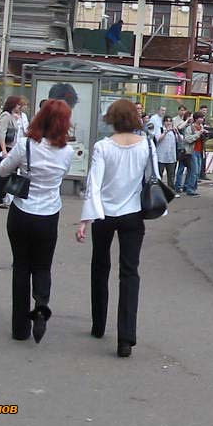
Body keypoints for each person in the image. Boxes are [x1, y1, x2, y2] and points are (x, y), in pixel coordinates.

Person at [76, 100, 159, 358]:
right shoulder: (146, 145)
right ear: (135, 119)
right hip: (133, 214)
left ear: (111, 118)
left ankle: (99, 324)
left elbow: (95, 184)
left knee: (100, 266)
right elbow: (152, 178)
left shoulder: (102, 147)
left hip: (103, 215)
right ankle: (126, 338)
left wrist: (85, 220)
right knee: (129, 272)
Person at [0, 99, 75, 343]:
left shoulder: (25, 145)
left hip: (22, 212)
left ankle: (20, 328)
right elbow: (61, 175)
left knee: (21, 266)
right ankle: (41, 306)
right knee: (43, 266)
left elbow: (3, 171)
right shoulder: (67, 151)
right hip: (49, 214)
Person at [0, 96, 24, 208]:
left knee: (9, 173)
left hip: (10, 147)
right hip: (4, 148)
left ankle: (4, 197)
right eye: (18, 105)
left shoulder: (11, 116)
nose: (20, 107)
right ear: (12, 105)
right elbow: (2, 134)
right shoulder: (6, 116)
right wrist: (4, 150)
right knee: (2, 173)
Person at [180, 112, 208, 196]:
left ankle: (190, 187)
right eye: (200, 118)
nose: (202, 120)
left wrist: (205, 135)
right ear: (196, 119)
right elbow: (188, 139)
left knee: (198, 171)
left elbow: (203, 139)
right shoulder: (190, 128)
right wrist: (198, 134)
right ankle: (190, 189)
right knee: (194, 171)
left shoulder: (201, 127)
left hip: (200, 151)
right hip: (192, 151)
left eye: (203, 118)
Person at [154, 116, 180, 194]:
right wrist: (166, 131)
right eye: (167, 121)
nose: (168, 123)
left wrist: (177, 132)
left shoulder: (174, 131)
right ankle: (158, 192)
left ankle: (171, 191)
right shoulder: (160, 129)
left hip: (171, 157)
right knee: (159, 175)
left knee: (171, 176)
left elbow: (180, 140)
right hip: (160, 157)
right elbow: (158, 139)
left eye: (170, 121)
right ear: (163, 122)